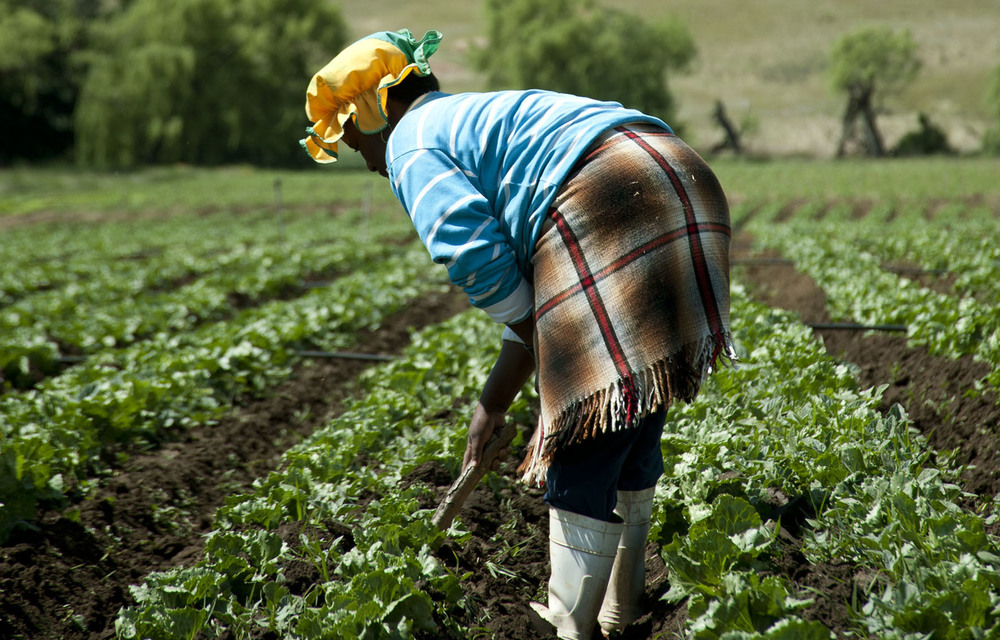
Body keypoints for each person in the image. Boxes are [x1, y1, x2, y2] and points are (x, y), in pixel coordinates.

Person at [301, 29, 735, 640]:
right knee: (630, 404)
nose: (368, 161)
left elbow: (472, 251)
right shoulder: (468, 119)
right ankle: (622, 606)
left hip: (609, 193)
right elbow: (540, 297)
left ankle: (571, 627)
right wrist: (494, 401)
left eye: (354, 141)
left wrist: (555, 362)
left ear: (378, 111)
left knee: (581, 429)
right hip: (678, 175)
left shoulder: (409, 142)